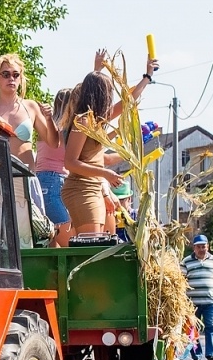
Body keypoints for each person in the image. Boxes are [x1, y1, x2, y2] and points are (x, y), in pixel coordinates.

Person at [56, 50, 158, 237]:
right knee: (92, 242)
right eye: (108, 92)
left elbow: (128, 101)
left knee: (99, 241)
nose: (111, 96)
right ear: (101, 95)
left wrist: (148, 76)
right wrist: (105, 174)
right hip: (81, 189)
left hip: (93, 187)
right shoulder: (83, 121)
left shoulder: (97, 120)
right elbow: (70, 163)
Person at [0, 54, 47, 216]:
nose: (11, 78)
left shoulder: (31, 107)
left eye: (16, 74)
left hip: (27, 178)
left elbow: (52, 142)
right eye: (6, 74)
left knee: (32, 232)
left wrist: (49, 118)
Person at [36, 90, 73, 247]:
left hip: (45, 181)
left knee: (53, 241)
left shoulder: (49, 127)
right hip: (53, 181)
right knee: (68, 241)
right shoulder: (62, 129)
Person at [184, 234, 213, 360]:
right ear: (194, 248)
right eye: (199, 247)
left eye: (204, 246)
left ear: (208, 246)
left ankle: (212, 354)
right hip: (192, 303)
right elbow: (181, 281)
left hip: (211, 301)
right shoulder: (186, 261)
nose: (202, 249)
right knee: (192, 329)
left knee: (211, 326)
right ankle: (196, 355)